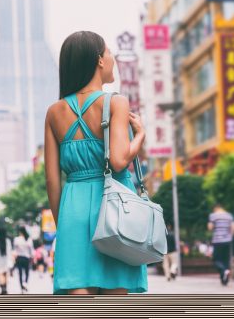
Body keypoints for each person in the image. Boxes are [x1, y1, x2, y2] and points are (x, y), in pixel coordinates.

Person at [44, 31, 148, 295]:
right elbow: (119, 160)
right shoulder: (116, 102)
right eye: (109, 52)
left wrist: (63, 224)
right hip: (115, 210)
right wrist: (141, 136)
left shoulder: (55, 112)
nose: (112, 58)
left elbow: (52, 180)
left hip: (73, 211)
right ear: (99, 61)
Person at [208, 203, 234, 286]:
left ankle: (224, 271)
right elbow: (233, 227)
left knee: (215, 259)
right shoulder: (229, 216)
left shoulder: (213, 215)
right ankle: (224, 279)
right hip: (227, 241)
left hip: (217, 241)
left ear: (215, 208)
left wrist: (212, 227)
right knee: (225, 260)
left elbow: (210, 227)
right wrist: (230, 237)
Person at [13, 226, 34, 293]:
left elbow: (15, 250)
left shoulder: (16, 239)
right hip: (27, 258)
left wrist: (14, 257)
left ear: (20, 232)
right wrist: (32, 257)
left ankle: (21, 287)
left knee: (20, 273)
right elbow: (31, 250)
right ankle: (25, 283)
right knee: (27, 272)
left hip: (19, 258)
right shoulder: (29, 239)